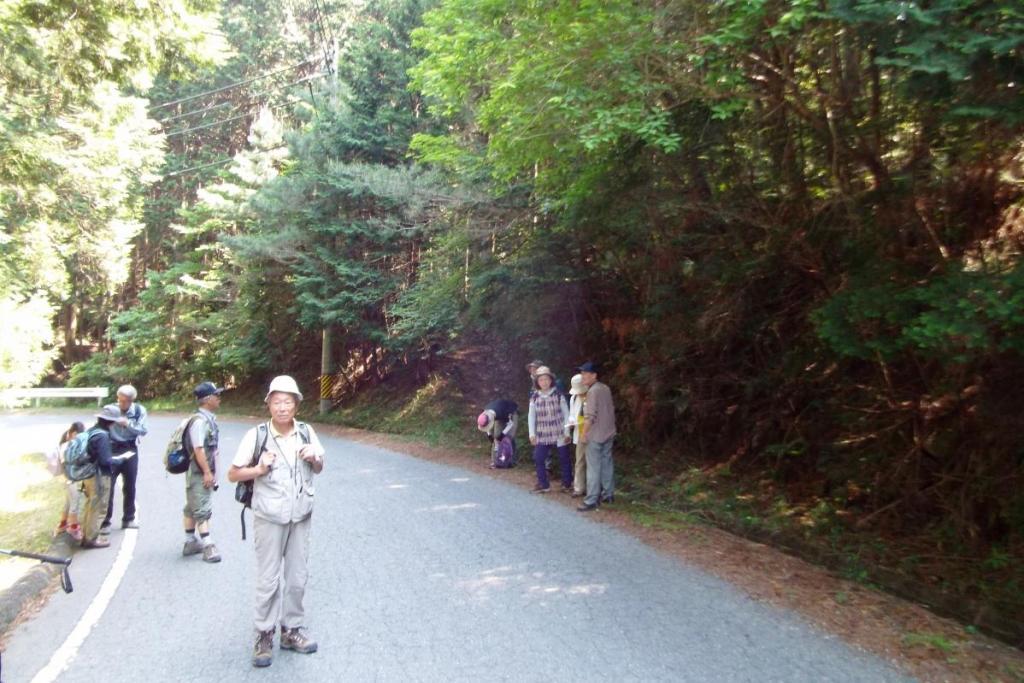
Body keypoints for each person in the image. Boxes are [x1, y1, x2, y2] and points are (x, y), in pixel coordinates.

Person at [228, 375, 325, 668]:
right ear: (268, 404)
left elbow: (319, 468)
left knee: (297, 577)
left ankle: (291, 630)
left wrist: (314, 458)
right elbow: (233, 474)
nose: (282, 407)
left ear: (296, 405)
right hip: (269, 517)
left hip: (301, 516)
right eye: (277, 401)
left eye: (288, 401)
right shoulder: (256, 435)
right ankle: (264, 634)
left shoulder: (307, 432)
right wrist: (258, 468)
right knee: (268, 579)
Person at [182, 381, 224, 563]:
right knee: (202, 508)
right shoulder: (199, 422)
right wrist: (207, 472)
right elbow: (198, 449)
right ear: (207, 399)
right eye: (216, 395)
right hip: (199, 471)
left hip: (199, 471)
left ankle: (190, 542)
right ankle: (208, 545)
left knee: (192, 505)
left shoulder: (207, 419)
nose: (219, 398)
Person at [101, 385, 148, 533]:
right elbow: (101, 427)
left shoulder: (139, 411)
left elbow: (143, 430)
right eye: (120, 400)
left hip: (130, 448)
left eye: (125, 401)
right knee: (108, 485)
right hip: (112, 447)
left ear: (131, 400)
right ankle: (104, 521)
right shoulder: (110, 409)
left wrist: (128, 424)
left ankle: (128, 518)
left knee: (130, 485)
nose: (122, 404)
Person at [577, 361, 617, 512]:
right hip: (609, 431)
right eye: (582, 374)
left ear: (594, 375)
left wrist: (583, 433)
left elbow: (590, 416)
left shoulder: (593, 391)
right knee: (607, 462)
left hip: (595, 434)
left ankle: (591, 499)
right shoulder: (605, 388)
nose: (583, 377)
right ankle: (608, 494)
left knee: (593, 467)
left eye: (585, 374)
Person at [527, 366, 573, 493]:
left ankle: (567, 484)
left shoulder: (558, 395)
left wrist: (567, 431)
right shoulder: (534, 397)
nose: (544, 382)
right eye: (541, 380)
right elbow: (531, 416)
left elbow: (566, 414)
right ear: (537, 382)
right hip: (542, 432)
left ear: (551, 380)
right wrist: (532, 434)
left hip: (559, 432)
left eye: (546, 379)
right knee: (538, 457)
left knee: (564, 458)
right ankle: (544, 484)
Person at [80, 406, 118, 548]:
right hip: (99, 475)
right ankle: (91, 539)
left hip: (88, 474)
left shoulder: (91, 431)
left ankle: (86, 536)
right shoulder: (103, 436)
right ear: (111, 422)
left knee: (90, 505)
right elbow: (105, 460)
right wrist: (118, 460)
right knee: (99, 507)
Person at [52, 421, 86, 541]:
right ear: (74, 433)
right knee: (75, 500)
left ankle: (62, 524)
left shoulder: (68, 444)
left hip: (67, 478)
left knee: (68, 500)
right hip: (69, 478)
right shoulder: (68, 446)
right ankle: (73, 527)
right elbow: (68, 463)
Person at [565, 374, 589, 498]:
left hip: (592, 433)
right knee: (579, 461)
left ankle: (592, 489)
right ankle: (578, 487)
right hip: (579, 432)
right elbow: (572, 413)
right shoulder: (573, 398)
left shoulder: (592, 396)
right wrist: (571, 422)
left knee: (592, 462)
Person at [477, 399, 518, 467]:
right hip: (499, 416)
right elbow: (486, 425)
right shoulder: (484, 414)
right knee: (496, 438)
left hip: (511, 413)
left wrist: (502, 435)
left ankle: (511, 461)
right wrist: (490, 436)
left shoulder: (504, 412)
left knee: (509, 438)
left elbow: (511, 424)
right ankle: (496, 461)